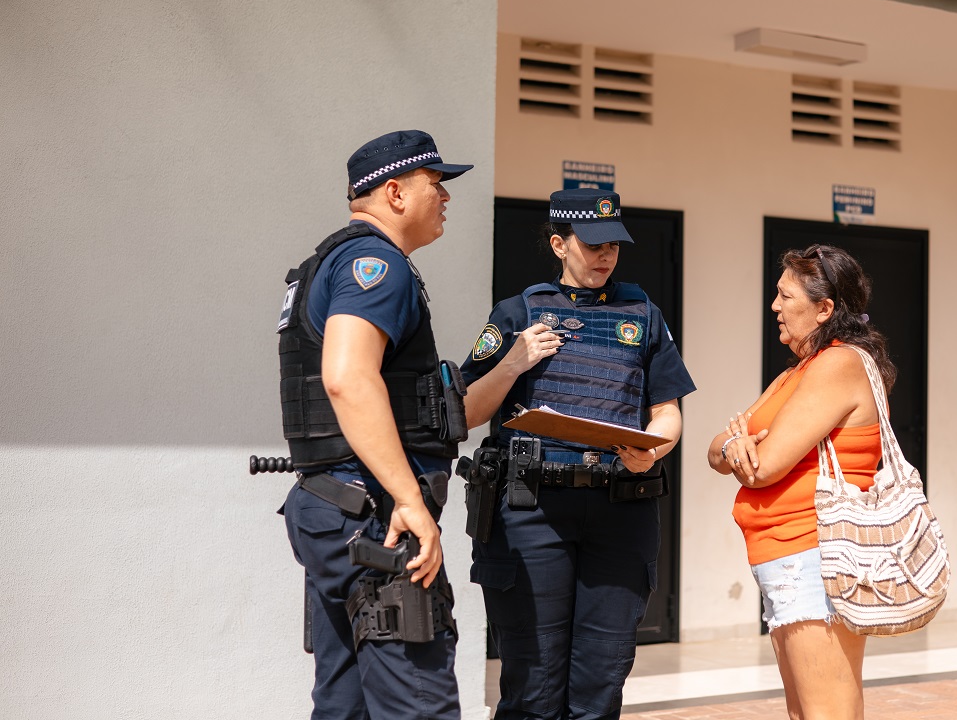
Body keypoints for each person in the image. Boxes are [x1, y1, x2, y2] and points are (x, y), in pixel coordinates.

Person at [459, 188, 696, 720]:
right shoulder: (517, 312)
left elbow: (667, 411)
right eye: (592, 244)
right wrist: (513, 363)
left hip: (620, 509)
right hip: (533, 511)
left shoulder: (644, 315)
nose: (605, 254)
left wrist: (652, 449)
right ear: (558, 244)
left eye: (613, 243)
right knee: (533, 685)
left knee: (600, 685)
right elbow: (470, 410)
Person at [275, 130, 473, 720]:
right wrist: (408, 499)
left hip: (334, 510)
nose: (445, 198)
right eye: (435, 185)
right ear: (394, 192)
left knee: (347, 703)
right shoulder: (377, 265)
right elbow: (348, 377)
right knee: (418, 705)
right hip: (374, 522)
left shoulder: (327, 263)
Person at [707, 245, 896, 720]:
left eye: (785, 295)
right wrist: (734, 446)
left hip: (815, 556)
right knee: (805, 710)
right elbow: (716, 450)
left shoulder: (839, 364)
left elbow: (763, 467)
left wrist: (740, 447)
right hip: (787, 556)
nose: (774, 306)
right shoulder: (798, 371)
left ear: (824, 309)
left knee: (825, 711)